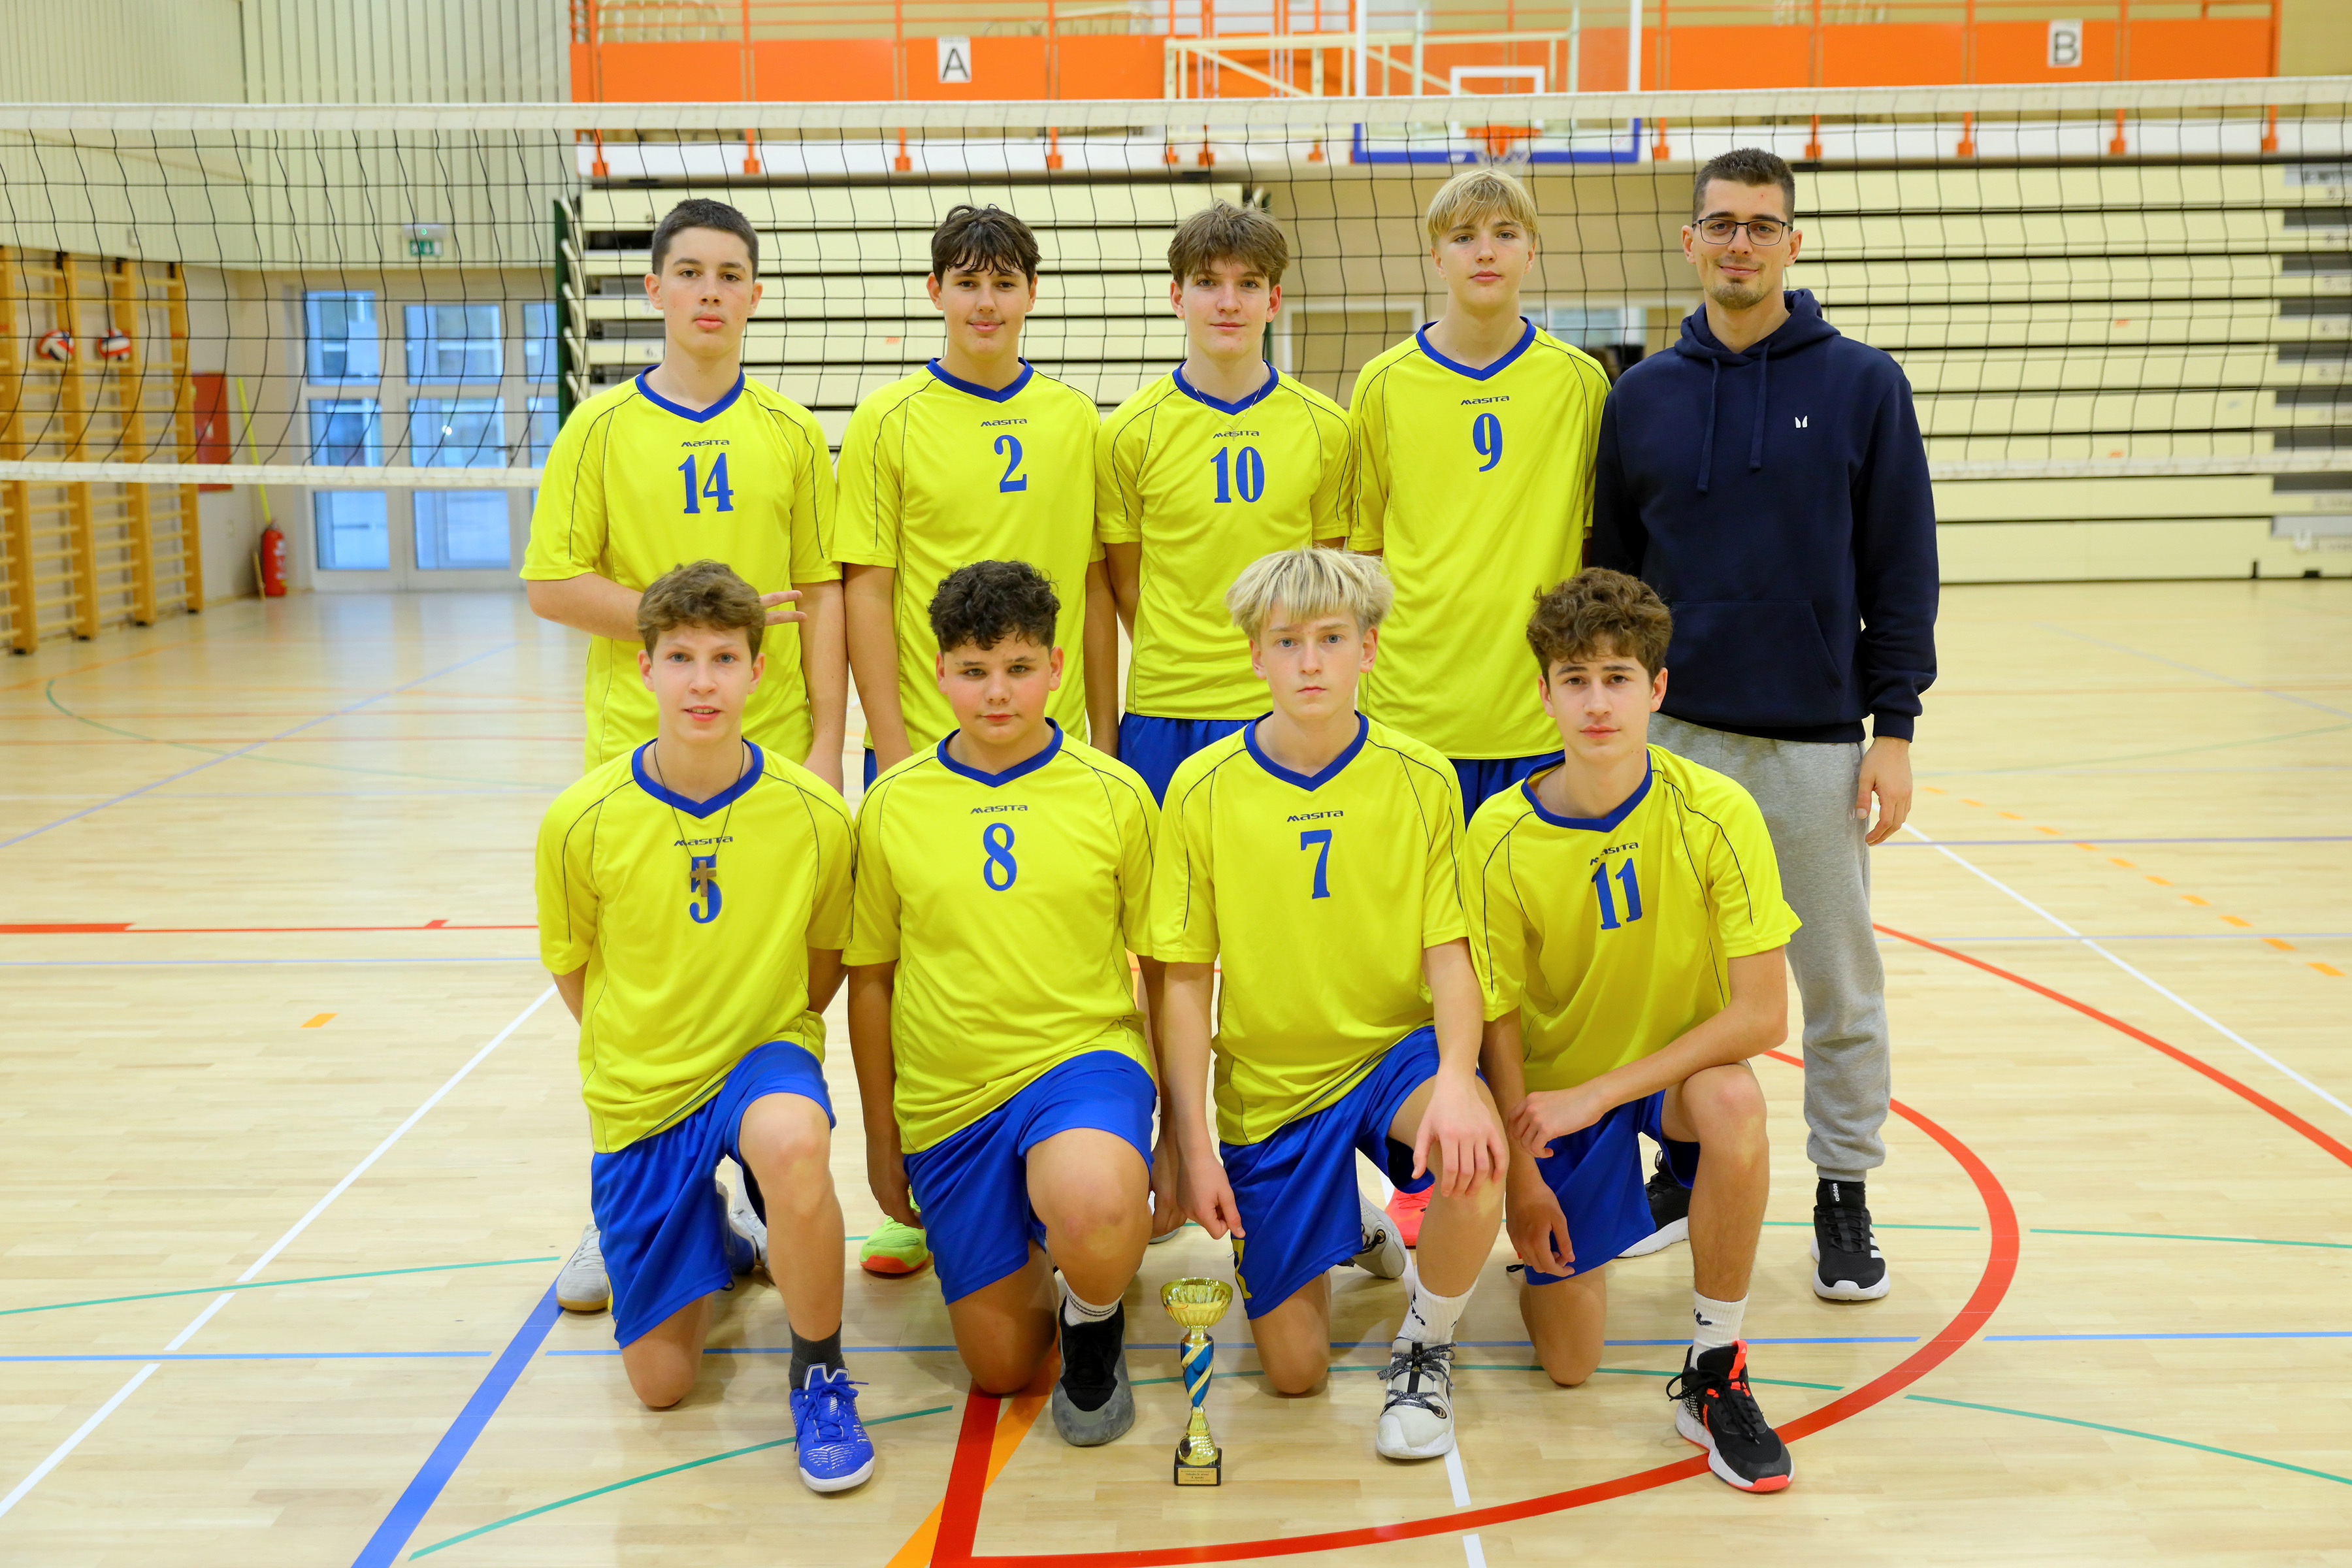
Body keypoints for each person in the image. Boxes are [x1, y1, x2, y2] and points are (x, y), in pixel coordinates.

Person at [1587, 148, 1936, 1302]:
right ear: (1691, 241)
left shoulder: (1864, 385)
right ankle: (1680, 1170)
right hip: (1674, 742)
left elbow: (1902, 566)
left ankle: (1844, 1190)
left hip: (1814, 742)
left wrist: (1895, 727)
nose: (1742, 243)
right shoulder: (1640, 396)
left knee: (1836, 982)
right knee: (1667, 982)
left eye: (1763, 225)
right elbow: (1612, 579)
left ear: (1793, 241)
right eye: (1723, 224)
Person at [521, 196, 846, 1317]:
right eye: (691, 272)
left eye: (731, 274)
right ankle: (631, 1187)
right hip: (639, 748)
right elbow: (552, 582)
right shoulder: (601, 428)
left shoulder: (790, 432)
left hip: (774, 745)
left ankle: (760, 1192)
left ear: (754, 295)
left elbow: (823, 593)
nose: (711, 291)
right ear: (654, 288)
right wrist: (689, 630)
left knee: (770, 981)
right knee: (640, 989)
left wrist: (830, 740)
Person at [1154, 547, 1507, 1462]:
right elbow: (1184, 982)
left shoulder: (1422, 777)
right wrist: (1191, 1144)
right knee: (1294, 1372)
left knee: (1476, 1154)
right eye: (1287, 642)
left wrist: (1459, 1079)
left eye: (1331, 639)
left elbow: (1450, 953)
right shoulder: (1201, 788)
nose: (1310, 662)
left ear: (1370, 648)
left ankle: (1427, 1340)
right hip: (1272, 1086)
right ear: (1254, 655)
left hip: (1391, 1056)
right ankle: (1353, 1225)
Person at [532, 560, 871, 1493]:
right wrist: (648, 1040)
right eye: (680, 657)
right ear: (644, 667)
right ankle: (716, 1233)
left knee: (793, 1140)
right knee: (662, 1387)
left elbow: (825, 963)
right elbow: (573, 970)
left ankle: (821, 1377)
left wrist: (766, 1035)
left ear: (758, 671)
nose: (702, 682)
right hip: (643, 1086)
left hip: (762, 1056)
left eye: (724, 658)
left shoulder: (813, 814)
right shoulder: (580, 820)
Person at [1471, 568, 1799, 1494]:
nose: (1596, 703)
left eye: (1617, 678)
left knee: (1735, 1103)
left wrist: (1605, 1093)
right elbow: (1496, 1022)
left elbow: (1764, 1014)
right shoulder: (1499, 834)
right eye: (1574, 679)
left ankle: (1715, 1366)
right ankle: (1575, 1229)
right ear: (1544, 694)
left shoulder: (1718, 811)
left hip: (1664, 1081)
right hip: (1552, 1098)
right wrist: (1524, 1178)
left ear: (1656, 689)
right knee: (1570, 1363)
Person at [835, 205, 1117, 1279]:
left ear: (1031, 294)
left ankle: (1065, 1152)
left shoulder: (1076, 421)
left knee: (1057, 957)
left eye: (1004, 282)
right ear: (936, 293)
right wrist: (891, 743)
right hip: (925, 746)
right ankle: (920, 1181)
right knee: (918, 972)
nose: (986, 302)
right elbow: (867, 587)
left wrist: (1104, 725)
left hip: (1055, 748)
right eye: (967, 282)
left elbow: (1093, 584)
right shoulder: (888, 420)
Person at [1348, 165, 1611, 1249]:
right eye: (1465, 236)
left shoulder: (1579, 384)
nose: (1485, 251)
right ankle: (1424, 1161)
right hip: (1416, 714)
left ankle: (1553, 1160)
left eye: (1505, 232)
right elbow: (1362, 550)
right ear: (1436, 255)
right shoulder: (1383, 385)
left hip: (1533, 716)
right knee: (1417, 957)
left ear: (1531, 251)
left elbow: (1593, 542)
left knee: (1538, 962)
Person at [843, 561, 1166, 1445]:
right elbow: (870, 979)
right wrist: (880, 1136)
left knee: (1095, 1201)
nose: (997, 692)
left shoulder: (1115, 793)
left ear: (1056, 668)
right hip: (949, 1097)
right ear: (940, 672)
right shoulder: (893, 803)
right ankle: (1041, 1233)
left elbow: (1166, 968)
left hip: (1079, 1063)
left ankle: (1094, 1314)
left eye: (1019, 668)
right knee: (1001, 1370)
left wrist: (1179, 1135)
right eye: (975, 670)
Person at [1098, 199, 1354, 802]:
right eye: (1208, 283)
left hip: (1282, 704)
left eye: (1249, 284)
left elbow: (1326, 579)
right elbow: (1126, 584)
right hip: (1166, 707)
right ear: (1177, 296)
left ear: (1274, 300)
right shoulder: (1128, 433)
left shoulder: (1327, 428)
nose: (1228, 302)